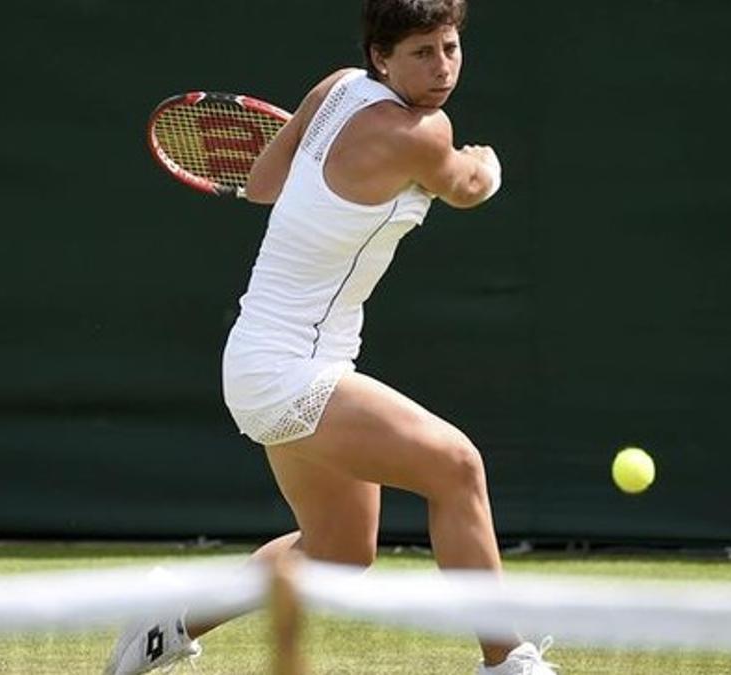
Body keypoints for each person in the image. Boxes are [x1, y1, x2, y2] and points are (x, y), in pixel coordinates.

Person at [107, 0, 555, 673]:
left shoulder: (335, 88)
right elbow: (466, 188)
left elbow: (261, 184)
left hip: (269, 360)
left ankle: (169, 616)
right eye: (421, 53)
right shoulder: (425, 133)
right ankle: (508, 660)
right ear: (382, 57)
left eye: (450, 47)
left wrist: (338, 167)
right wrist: (485, 165)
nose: (442, 68)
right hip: (290, 368)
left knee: (340, 553)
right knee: (458, 468)